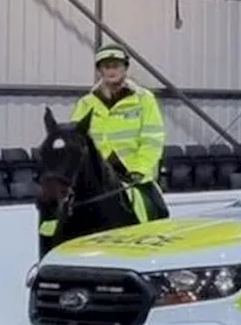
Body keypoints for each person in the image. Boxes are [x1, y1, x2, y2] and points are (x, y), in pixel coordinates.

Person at [71, 43, 168, 222]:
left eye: (116, 65)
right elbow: (76, 141)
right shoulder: (86, 103)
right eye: (106, 66)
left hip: (133, 174)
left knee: (157, 210)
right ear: (100, 70)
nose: (111, 70)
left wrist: (139, 168)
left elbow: (152, 138)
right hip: (97, 175)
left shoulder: (144, 99)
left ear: (125, 68)